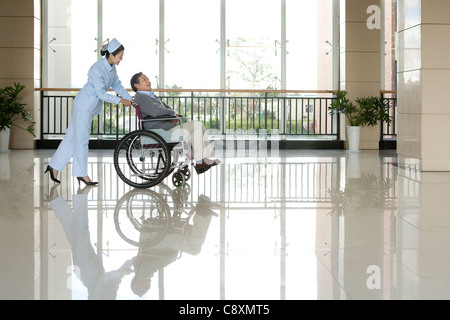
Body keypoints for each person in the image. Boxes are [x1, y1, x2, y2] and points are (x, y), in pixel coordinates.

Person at [45, 38, 133, 186]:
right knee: (81, 140)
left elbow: (117, 85)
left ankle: (54, 166)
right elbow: (100, 93)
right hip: (83, 106)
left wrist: (129, 98)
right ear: (111, 55)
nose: (121, 59)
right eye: (120, 56)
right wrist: (120, 101)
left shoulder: (112, 68)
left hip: (90, 107)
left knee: (71, 138)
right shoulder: (96, 68)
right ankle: (81, 173)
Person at [130, 72, 220, 174]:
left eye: (147, 79)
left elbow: (166, 108)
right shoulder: (141, 97)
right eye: (144, 79)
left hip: (165, 129)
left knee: (197, 130)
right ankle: (200, 161)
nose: (148, 81)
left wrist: (172, 115)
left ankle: (201, 161)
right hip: (160, 131)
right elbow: (156, 111)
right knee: (197, 125)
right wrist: (172, 114)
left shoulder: (150, 96)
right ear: (136, 85)